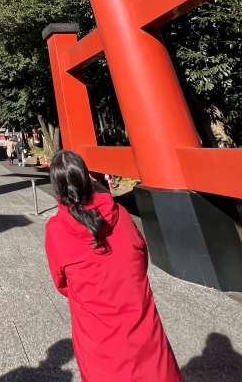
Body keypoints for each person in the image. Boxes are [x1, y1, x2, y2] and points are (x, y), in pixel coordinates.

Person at [45, 150, 181, 382]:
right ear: (88, 179)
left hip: (97, 336)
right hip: (142, 327)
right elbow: (140, 259)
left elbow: (62, 284)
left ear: (57, 188)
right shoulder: (122, 215)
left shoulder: (56, 230)